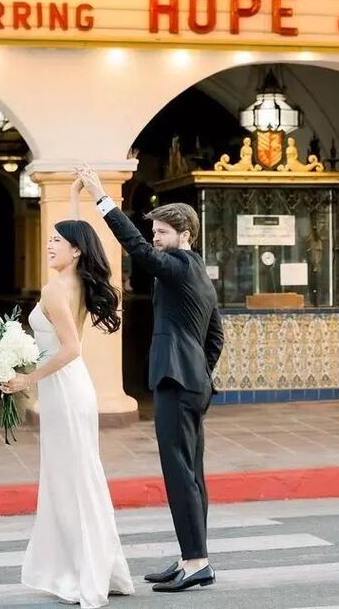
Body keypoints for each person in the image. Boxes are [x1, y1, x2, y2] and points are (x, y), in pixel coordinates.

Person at [76, 164, 224, 593]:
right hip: (193, 381)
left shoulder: (177, 265)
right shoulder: (199, 273)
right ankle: (192, 558)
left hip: (177, 382)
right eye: (155, 232)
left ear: (185, 235)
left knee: (179, 473)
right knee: (191, 472)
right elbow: (216, 336)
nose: (156, 239)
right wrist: (198, 368)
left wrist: (103, 197)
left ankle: (196, 561)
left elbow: (138, 251)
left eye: (162, 232)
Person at [0, 184, 133, 606]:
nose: (50, 244)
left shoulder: (56, 289)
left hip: (66, 389)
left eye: (58, 240)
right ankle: (92, 568)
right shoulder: (70, 281)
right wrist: (79, 194)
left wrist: (26, 380)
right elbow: (82, 230)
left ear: (75, 251)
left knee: (73, 481)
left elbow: (71, 348)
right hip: (71, 391)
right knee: (76, 479)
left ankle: (84, 573)